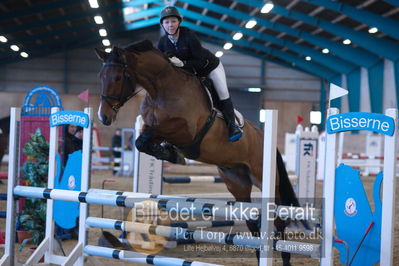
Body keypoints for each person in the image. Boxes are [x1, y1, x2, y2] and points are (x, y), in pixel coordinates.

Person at [157, 6, 243, 142]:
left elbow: (200, 61)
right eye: (166, 22)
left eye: (173, 21)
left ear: (179, 22)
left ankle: (232, 126)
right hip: (190, 73)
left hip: (210, 67)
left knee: (222, 92)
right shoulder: (162, 42)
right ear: (162, 24)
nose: (170, 25)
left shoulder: (189, 36)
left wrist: (183, 64)